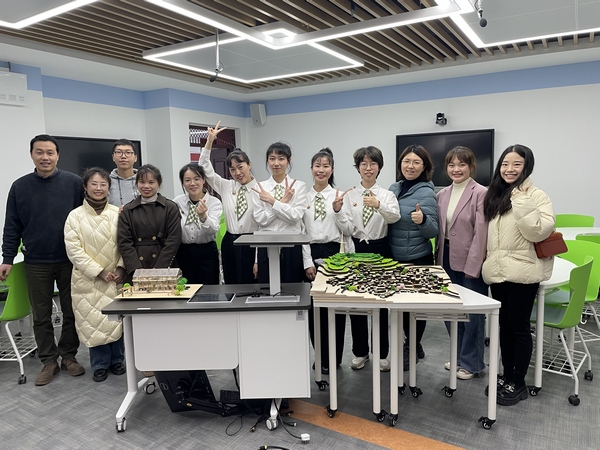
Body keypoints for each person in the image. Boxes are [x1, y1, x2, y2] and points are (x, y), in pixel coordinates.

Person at [0, 134, 85, 386]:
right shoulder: (20, 187)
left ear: (58, 155)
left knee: (71, 311)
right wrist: (7, 257)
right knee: (41, 314)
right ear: (32, 155)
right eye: (39, 152)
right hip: (36, 261)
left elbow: (85, 218)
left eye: (50, 152)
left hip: (69, 259)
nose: (45, 157)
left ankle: (69, 356)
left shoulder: (74, 183)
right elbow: (12, 225)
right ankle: (49, 361)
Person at [482, 144, 554, 406]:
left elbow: (538, 232)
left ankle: (519, 382)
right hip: (498, 272)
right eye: (505, 164)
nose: (509, 169)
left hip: (524, 273)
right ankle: (507, 375)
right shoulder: (495, 194)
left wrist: (521, 199)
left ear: (527, 167)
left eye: (516, 164)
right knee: (504, 326)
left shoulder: (536, 196)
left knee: (519, 327)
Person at [334, 146, 400, 372]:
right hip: (356, 248)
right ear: (358, 168)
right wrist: (337, 212)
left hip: (381, 248)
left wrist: (379, 206)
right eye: (364, 164)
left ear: (379, 167)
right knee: (358, 303)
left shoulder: (387, 195)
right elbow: (346, 228)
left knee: (381, 303)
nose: (368, 168)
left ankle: (381, 353)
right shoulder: (350, 195)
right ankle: (360, 352)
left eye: (373, 164)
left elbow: (394, 217)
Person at [64, 168, 126, 382]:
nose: (98, 188)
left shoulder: (117, 214)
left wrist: (120, 267)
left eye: (103, 184)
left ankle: (118, 359)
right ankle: (99, 364)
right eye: (94, 184)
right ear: (85, 187)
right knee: (93, 321)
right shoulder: (74, 216)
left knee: (116, 320)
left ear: (108, 187)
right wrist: (98, 271)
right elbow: (73, 250)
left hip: (115, 278)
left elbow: (126, 243)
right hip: (88, 280)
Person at [436, 146, 488, 380]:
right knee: (450, 310)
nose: (456, 169)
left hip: (470, 259)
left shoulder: (481, 193)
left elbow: (481, 234)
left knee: (473, 313)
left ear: (471, 167)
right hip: (445, 257)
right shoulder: (442, 194)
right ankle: (458, 357)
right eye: (451, 165)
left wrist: (473, 266)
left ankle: (472, 363)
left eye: (461, 164)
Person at [388, 145, 438, 371]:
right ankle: (413, 344)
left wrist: (423, 220)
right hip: (394, 257)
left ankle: (412, 345)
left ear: (424, 166)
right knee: (400, 308)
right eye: (406, 161)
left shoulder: (427, 192)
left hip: (417, 258)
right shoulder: (394, 188)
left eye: (416, 162)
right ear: (400, 164)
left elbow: (433, 231)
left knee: (415, 309)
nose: (410, 166)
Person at [302, 148, 349, 374]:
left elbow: (348, 230)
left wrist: (338, 211)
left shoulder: (338, 196)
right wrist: (307, 261)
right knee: (314, 310)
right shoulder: (303, 197)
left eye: (326, 166)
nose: (321, 170)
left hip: (334, 253)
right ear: (311, 169)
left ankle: (335, 358)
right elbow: (301, 231)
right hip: (309, 252)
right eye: (317, 166)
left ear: (332, 169)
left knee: (335, 308)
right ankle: (320, 356)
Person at [199, 122, 259, 284]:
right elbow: (204, 167)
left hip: (252, 243)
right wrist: (209, 141)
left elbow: (263, 227)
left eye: (240, 167)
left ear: (249, 165)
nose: (237, 172)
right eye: (232, 169)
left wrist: (258, 258)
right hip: (230, 243)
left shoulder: (261, 190)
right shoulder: (226, 186)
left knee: (252, 285)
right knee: (231, 284)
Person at [252, 142, 307, 284]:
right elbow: (261, 221)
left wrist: (272, 201)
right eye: (272, 159)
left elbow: (295, 217)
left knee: (293, 289)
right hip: (265, 245)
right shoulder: (260, 187)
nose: (276, 163)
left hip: (292, 245)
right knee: (267, 289)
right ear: (267, 161)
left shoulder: (299, 186)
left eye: (281, 158)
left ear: (289, 161)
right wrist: (283, 201)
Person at [117, 164, 182, 283]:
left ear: (159, 184)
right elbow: (124, 242)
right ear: (137, 184)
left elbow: (174, 239)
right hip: (136, 267)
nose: (146, 186)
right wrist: (137, 270)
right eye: (142, 182)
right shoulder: (128, 209)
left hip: (164, 266)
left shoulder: (170, 207)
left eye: (151, 182)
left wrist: (159, 270)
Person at [173, 163, 222, 285]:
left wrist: (203, 217)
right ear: (183, 183)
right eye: (187, 180)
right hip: (183, 252)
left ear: (203, 180)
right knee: (185, 289)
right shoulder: (177, 202)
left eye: (196, 179)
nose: (192, 183)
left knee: (209, 289)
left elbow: (213, 229)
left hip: (207, 252)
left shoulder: (214, 202)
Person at [109, 138, 139, 207]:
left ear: (135, 158)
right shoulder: (106, 182)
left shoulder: (143, 181)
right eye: (119, 152)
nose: (123, 156)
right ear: (113, 157)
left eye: (128, 152)